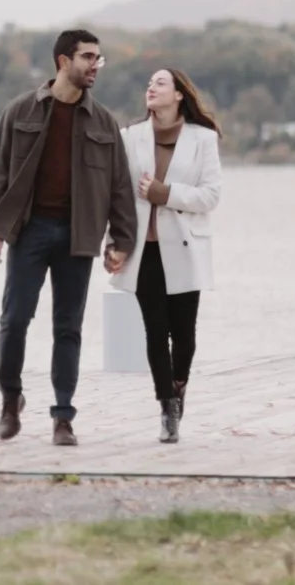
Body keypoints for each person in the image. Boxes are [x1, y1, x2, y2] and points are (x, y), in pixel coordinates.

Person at [0, 29, 137, 446]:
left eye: (98, 59)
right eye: (88, 57)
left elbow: (120, 186)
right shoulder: (20, 111)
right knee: (14, 320)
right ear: (62, 61)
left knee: (68, 327)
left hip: (78, 236)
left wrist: (121, 240)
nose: (95, 66)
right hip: (29, 231)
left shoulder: (103, 121)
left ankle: (63, 416)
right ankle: (10, 400)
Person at [107, 68, 223, 444]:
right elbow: (119, 196)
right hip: (145, 250)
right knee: (155, 333)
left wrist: (165, 193)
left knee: (184, 335)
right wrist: (115, 242)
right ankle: (167, 407)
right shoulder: (130, 137)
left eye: (160, 83)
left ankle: (179, 384)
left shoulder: (203, 139)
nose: (151, 88)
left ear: (178, 95)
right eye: (149, 84)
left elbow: (210, 196)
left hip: (186, 247)